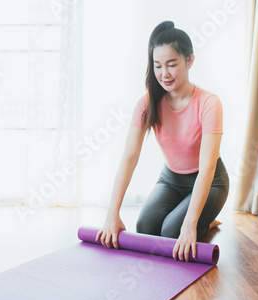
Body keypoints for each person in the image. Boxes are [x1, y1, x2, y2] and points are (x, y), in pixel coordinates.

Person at [95, 21, 229, 262]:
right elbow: (129, 158)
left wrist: (190, 224)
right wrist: (111, 214)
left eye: (172, 64)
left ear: (190, 61)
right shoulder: (147, 104)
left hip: (210, 181)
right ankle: (198, 218)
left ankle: (204, 220)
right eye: (157, 66)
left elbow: (208, 168)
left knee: (171, 232)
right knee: (146, 226)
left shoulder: (209, 103)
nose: (164, 74)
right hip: (171, 179)